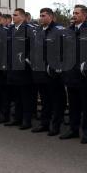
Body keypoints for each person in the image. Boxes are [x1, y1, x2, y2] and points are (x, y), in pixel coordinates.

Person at [60, 5, 87, 144]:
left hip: (85, 75)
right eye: (73, 13)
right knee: (73, 105)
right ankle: (73, 129)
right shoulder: (68, 30)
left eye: (77, 13)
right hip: (71, 73)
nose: (74, 15)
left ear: (84, 15)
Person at [30, 8, 67, 136]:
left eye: (43, 15)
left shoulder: (59, 30)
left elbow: (64, 52)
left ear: (51, 17)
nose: (41, 18)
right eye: (40, 15)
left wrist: (58, 68)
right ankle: (44, 123)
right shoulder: (38, 30)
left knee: (56, 100)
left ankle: (55, 125)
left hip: (53, 72)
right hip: (40, 71)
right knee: (45, 100)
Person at [6, 8, 34, 129]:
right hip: (12, 68)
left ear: (22, 17)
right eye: (13, 15)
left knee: (25, 97)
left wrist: (27, 60)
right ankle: (17, 119)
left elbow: (34, 47)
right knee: (16, 96)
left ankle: (26, 121)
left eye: (16, 15)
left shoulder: (29, 29)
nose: (13, 17)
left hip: (24, 69)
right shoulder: (11, 29)